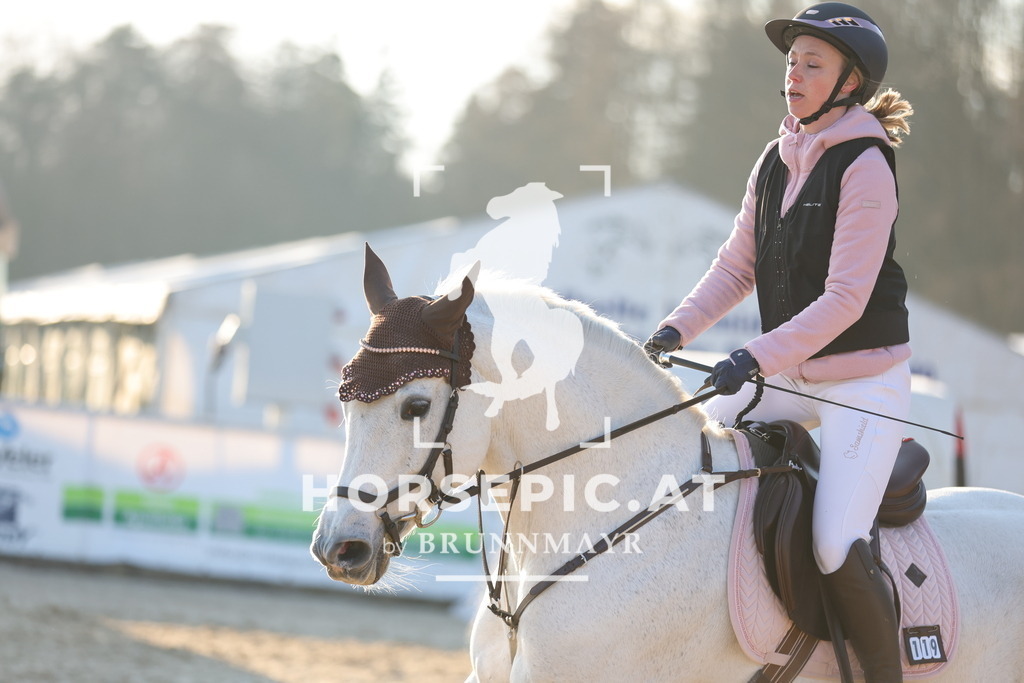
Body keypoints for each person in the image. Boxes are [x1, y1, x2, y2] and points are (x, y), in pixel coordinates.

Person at [645, 4, 913, 681]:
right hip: (793, 374)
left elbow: (845, 300)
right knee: (690, 454)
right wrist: (675, 329)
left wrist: (752, 356)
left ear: (850, 82)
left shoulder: (866, 165)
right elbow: (736, 267)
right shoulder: (773, 160)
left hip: (863, 381)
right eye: (792, 61)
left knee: (833, 542)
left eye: (812, 63)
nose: (794, 73)